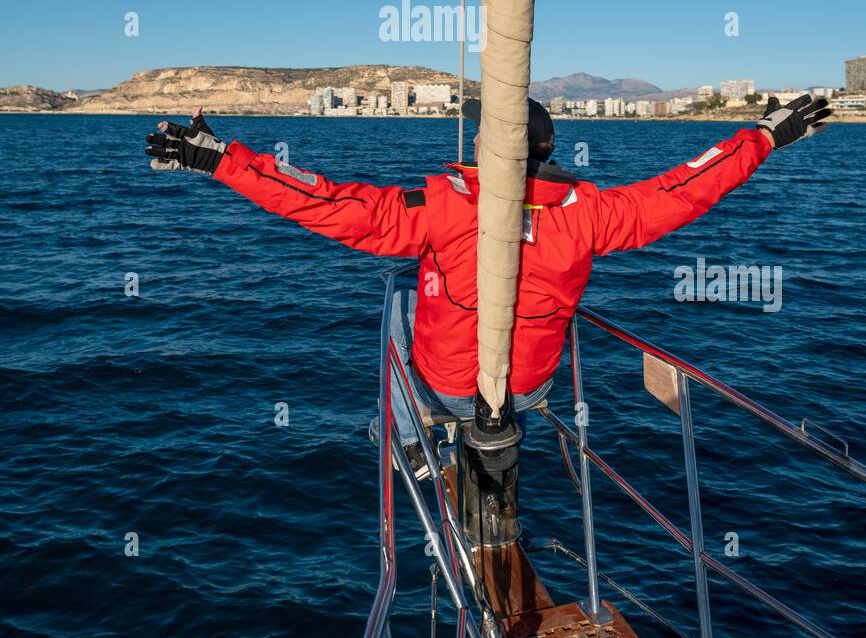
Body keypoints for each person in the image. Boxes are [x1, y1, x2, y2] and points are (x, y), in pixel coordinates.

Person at [145, 92, 832, 474]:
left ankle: (413, 443)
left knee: (399, 298)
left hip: (447, 384)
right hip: (527, 390)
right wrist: (765, 136)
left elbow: (327, 203)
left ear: (487, 149)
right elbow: (685, 186)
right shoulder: (589, 213)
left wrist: (221, 159)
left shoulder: (444, 205)